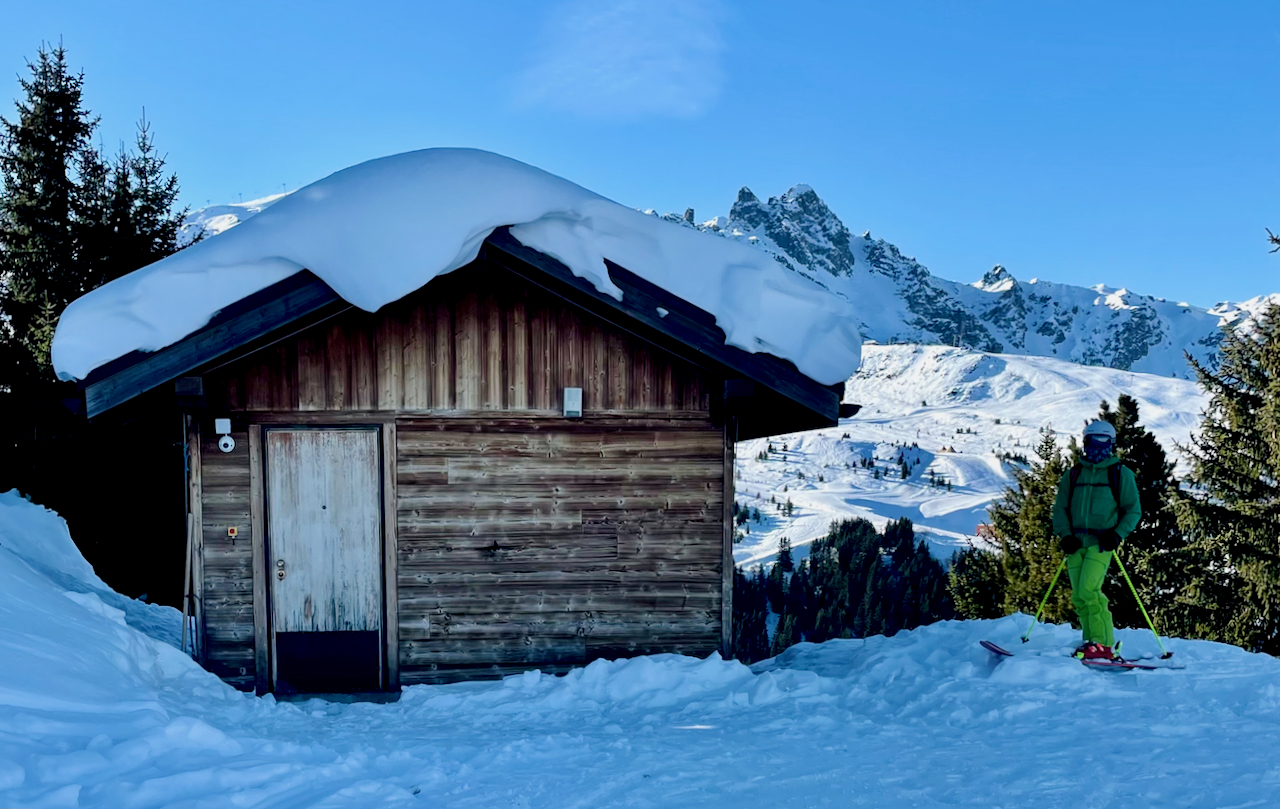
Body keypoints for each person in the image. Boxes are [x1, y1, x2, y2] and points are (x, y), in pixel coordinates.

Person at [1050, 420, 1141, 661]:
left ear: (1111, 444)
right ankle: (1091, 641)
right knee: (1079, 596)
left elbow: (1133, 510)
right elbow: (1060, 508)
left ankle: (1103, 644)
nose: (1097, 448)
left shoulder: (1120, 474)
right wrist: (1065, 535)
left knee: (1090, 590)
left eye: (1103, 442)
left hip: (1101, 543)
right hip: (1075, 543)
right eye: (1093, 441)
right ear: (1085, 442)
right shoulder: (1073, 475)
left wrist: (1117, 534)